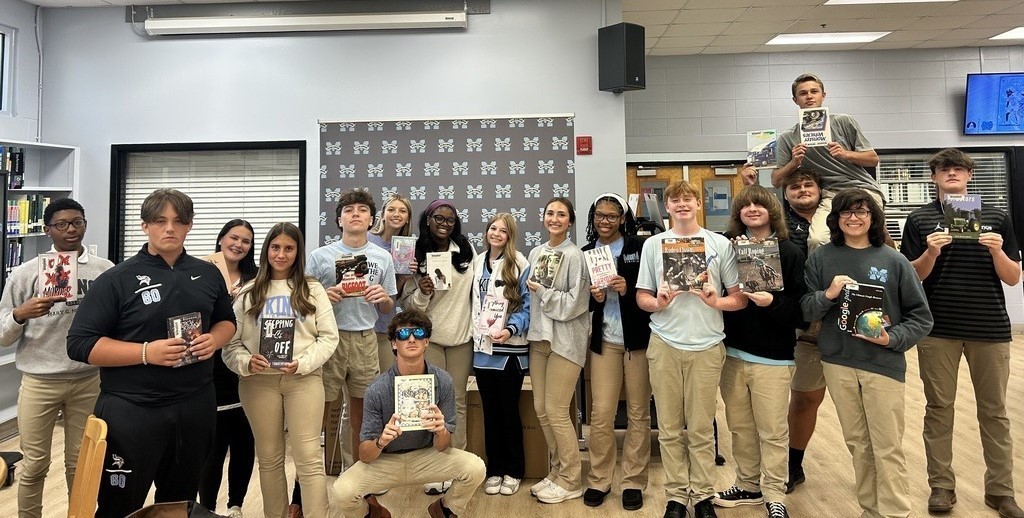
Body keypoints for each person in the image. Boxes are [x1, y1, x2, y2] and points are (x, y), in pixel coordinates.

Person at [66, 188, 236, 518]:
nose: (169, 228)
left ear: (190, 225)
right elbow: (80, 344)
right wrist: (146, 353)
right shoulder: (117, 279)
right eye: (160, 221)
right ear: (145, 226)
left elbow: (226, 322)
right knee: (120, 506)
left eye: (178, 221)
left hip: (195, 407)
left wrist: (214, 340)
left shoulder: (209, 273)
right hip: (132, 411)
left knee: (179, 504)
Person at [900, 148, 1024, 518]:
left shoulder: (997, 217)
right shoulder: (920, 219)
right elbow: (913, 277)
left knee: (995, 412)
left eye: (958, 169)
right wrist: (930, 254)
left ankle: (1001, 491)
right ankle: (941, 487)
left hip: (990, 327)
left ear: (969, 176)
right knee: (939, 408)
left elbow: (1013, 277)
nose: (951, 174)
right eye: (944, 169)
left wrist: (999, 252)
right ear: (934, 177)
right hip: (937, 328)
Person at [801, 189, 932, 518]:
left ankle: (894, 513)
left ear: (873, 218)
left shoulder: (893, 259)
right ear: (836, 219)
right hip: (837, 362)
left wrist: (892, 339)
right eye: (846, 212)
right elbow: (805, 309)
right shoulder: (821, 257)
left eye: (861, 212)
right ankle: (870, 511)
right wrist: (828, 294)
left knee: (887, 445)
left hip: (882, 364)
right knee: (858, 443)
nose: (853, 218)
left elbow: (921, 317)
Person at [635, 180, 746, 518]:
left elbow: (739, 298)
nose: (682, 205)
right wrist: (659, 301)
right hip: (665, 344)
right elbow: (642, 297)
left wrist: (717, 300)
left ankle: (702, 496)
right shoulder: (654, 245)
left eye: (688, 199)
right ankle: (675, 496)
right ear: (666, 207)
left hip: (707, 345)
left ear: (699, 203)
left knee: (700, 427)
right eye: (675, 200)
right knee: (668, 428)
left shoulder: (719, 244)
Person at [0, 198, 113, 518]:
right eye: (61, 224)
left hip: (88, 379)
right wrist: (21, 315)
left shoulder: (104, 270)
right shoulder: (25, 273)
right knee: (34, 465)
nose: (70, 230)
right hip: (39, 381)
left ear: (86, 224)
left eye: (77, 222)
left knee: (81, 465)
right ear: (48, 230)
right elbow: (2, 334)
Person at [222, 222, 339, 518]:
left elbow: (329, 338)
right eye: (276, 247)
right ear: (266, 250)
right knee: (270, 458)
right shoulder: (249, 292)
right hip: (258, 383)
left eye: (289, 248)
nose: (281, 254)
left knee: (309, 459)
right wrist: (246, 363)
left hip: (303, 380)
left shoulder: (312, 289)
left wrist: (304, 363)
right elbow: (230, 345)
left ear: (298, 252)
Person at [331, 308, 486, 518]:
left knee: (475, 468)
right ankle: (371, 514)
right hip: (385, 460)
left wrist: (441, 431)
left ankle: (445, 509)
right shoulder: (377, 389)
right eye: (403, 335)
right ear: (394, 344)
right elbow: (365, 455)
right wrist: (380, 441)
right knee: (342, 491)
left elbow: (442, 446)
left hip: (426, 457)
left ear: (427, 342)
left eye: (419, 333)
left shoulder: (443, 381)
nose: (412, 339)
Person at [714, 186, 807, 518]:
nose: (752, 209)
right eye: (745, 205)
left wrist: (773, 302)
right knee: (739, 426)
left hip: (773, 356)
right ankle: (747, 485)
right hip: (733, 352)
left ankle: (774, 492)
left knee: (772, 430)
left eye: (759, 204)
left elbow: (802, 310)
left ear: (773, 211)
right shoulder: (727, 248)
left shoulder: (791, 252)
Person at [307, 190, 397, 464]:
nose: (355, 213)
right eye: (348, 210)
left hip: (365, 340)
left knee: (361, 415)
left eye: (362, 209)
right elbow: (302, 305)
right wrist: (323, 295)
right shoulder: (320, 256)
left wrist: (383, 298)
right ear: (339, 220)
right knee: (316, 414)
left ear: (371, 220)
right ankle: (303, 484)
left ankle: (357, 473)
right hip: (327, 339)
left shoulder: (382, 258)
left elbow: (388, 306)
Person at [579, 193, 652, 511]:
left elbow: (650, 293)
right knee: (601, 414)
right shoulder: (586, 253)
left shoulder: (640, 247)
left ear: (623, 218)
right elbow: (580, 304)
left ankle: (633, 481)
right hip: (604, 343)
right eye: (599, 215)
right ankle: (599, 479)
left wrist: (628, 289)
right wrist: (593, 297)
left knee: (638, 413)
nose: (604, 221)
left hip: (637, 342)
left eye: (611, 216)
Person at [398, 199, 476, 496]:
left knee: (456, 402)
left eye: (450, 220)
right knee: (429, 405)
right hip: (428, 340)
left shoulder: (466, 253)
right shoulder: (414, 255)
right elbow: (405, 306)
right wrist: (422, 291)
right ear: (427, 220)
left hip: (460, 339)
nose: (444, 224)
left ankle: (458, 468)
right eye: (438, 218)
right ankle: (434, 468)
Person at [525, 197, 591, 505]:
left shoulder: (575, 256)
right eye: (550, 213)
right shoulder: (537, 253)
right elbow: (532, 302)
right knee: (541, 408)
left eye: (561, 214)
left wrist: (544, 292)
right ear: (544, 218)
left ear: (570, 222)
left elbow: (575, 304)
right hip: (539, 339)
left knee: (557, 410)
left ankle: (571, 478)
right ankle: (557, 470)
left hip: (566, 340)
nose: (555, 218)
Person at [772, 73, 883, 251]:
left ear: (823, 95)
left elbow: (872, 159)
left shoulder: (843, 122)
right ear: (795, 100)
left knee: (875, 235)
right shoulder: (788, 137)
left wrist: (846, 154)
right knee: (816, 239)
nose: (809, 96)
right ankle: (819, 278)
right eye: (803, 93)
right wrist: (794, 162)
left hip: (861, 188)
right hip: (829, 194)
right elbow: (776, 180)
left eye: (814, 91)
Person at [198, 219, 257, 518]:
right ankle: (206, 506)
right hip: (210, 365)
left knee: (244, 439)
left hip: (247, 363)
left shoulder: (257, 278)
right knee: (213, 444)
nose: (239, 245)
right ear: (221, 239)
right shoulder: (201, 272)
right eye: (234, 238)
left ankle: (236, 505)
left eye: (246, 241)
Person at [471, 213, 531, 497]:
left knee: (508, 413)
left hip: (509, 351)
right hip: (483, 351)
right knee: (490, 415)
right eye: (493, 228)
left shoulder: (520, 263)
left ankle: (514, 470)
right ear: (486, 232)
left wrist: (509, 329)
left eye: (503, 230)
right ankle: (494, 469)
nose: (496, 233)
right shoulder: (476, 262)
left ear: (510, 236)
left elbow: (528, 306)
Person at [780, 168, 826, 493]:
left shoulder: (843, 219)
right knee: (805, 398)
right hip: (804, 327)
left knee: (864, 402)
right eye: (795, 186)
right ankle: (794, 465)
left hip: (849, 326)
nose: (802, 189)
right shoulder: (777, 226)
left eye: (809, 184)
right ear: (785, 195)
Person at [368, 194, 415, 373]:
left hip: (384, 323)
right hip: (361, 321)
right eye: (391, 209)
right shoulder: (366, 239)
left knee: (384, 380)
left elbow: (394, 294)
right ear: (382, 214)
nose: (397, 214)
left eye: (402, 211)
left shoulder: (407, 247)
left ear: (407, 218)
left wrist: (405, 276)